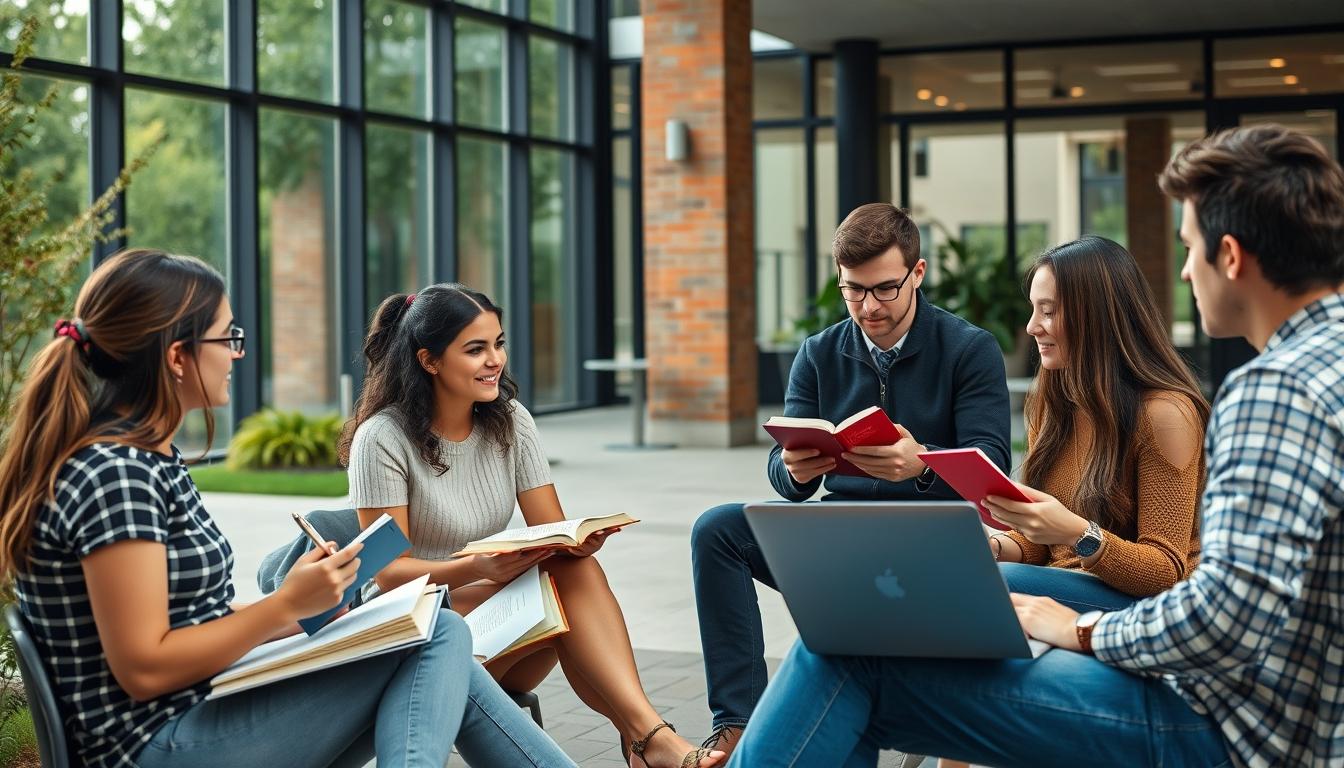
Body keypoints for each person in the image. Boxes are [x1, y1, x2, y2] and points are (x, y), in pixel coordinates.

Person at [725, 124, 1344, 767]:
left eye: (1188, 248)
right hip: (1274, 719)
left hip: (1228, 727)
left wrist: (1080, 627)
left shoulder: (1273, 392)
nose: (1186, 270)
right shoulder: (1319, 367)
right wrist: (993, 543)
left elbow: (1221, 617)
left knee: (852, 645)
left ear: (1232, 256)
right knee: (856, 641)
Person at [0, 249, 575, 768]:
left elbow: (189, 618)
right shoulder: (116, 475)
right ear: (177, 356)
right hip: (158, 742)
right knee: (437, 636)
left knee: (429, 631)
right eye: (226, 338)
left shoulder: (147, 458)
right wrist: (284, 606)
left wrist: (315, 610)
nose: (237, 353)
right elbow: (144, 668)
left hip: (197, 710)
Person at [339, 284, 724, 768]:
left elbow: (551, 531)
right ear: (429, 361)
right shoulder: (382, 439)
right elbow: (388, 574)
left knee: (572, 571)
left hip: (494, 627)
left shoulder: (511, 421)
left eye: (498, 343)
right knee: (561, 594)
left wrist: (576, 542)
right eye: (475, 349)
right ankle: (648, 743)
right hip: (414, 630)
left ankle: (647, 738)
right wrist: (477, 567)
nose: (495, 360)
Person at [690, 203, 1011, 758]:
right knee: (717, 530)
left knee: (844, 666)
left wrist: (922, 463)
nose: (869, 306)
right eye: (853, 290)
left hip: (930, 536)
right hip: (840, 532)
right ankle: (737, 724)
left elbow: (994, 464)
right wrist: (791, 471)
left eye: (885, 288)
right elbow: (783, 467)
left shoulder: (968, 348)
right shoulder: (818, 353)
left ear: (917, 272)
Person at [984, 235, 1210, 612]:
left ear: (1097, 318)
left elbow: (1166, 571)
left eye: (1048, 312)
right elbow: (1040, 545)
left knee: (996, 583)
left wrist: (1077, 533)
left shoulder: (1165, 413)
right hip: (1063, 588)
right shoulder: (1052, 402)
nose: (1032, 327)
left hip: (1147, 607)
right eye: (1033, 310)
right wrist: (990, 546)